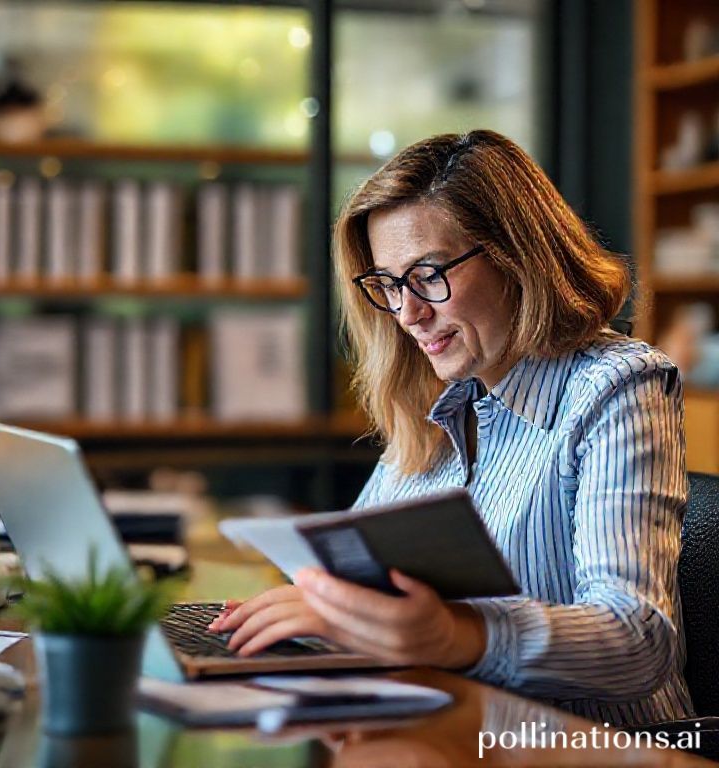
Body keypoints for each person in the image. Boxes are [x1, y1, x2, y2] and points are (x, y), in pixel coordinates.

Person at [210, 130, 694, 727]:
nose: (409, 313)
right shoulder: (436, 401)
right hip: (454, 732)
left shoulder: (617, 386)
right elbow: (348, 573)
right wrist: (321, 604)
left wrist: (454, 633)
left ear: (519, 256)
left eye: (429, 274)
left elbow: (638, 641)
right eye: (388, 285)